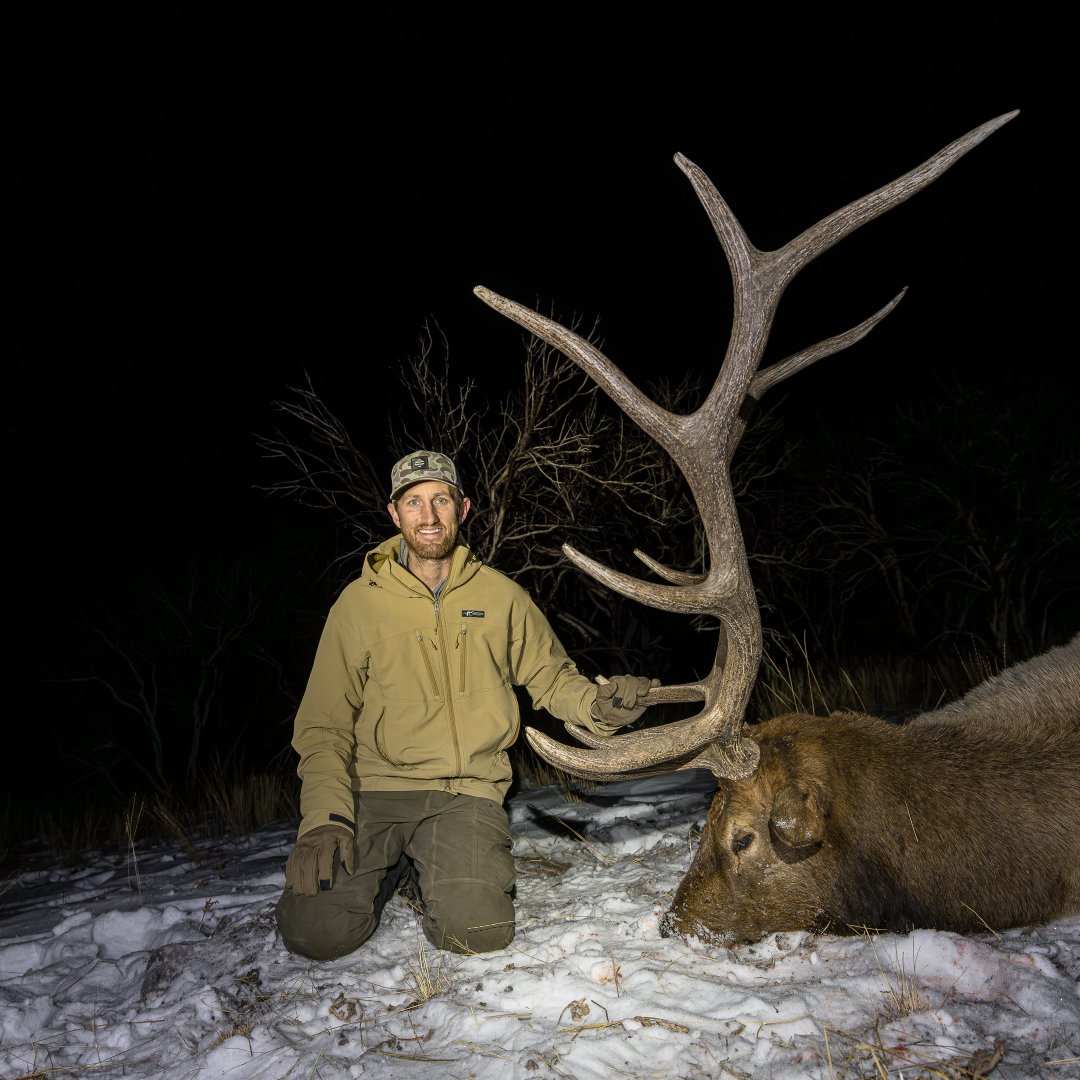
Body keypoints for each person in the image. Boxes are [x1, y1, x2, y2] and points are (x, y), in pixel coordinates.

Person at [275, 449, 659, 960]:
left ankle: (425, 869)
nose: (428, 516)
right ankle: (392, 868)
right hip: (374, 792)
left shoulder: (502, 597)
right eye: (413, 502)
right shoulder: (357, 605)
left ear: (464, 508)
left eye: (441, 500)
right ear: (394, 514)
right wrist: (325, 816)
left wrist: (601, 707)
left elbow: (553, 678)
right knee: (315, 934)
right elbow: (323, 724)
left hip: (466, 793)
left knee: (476, 933)